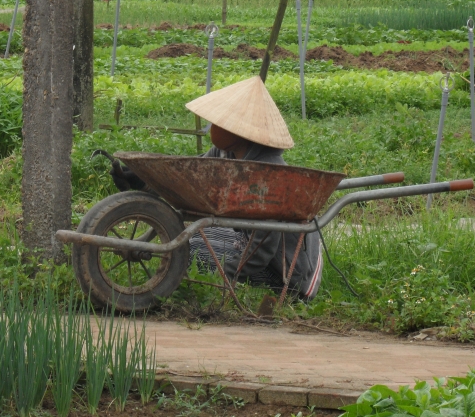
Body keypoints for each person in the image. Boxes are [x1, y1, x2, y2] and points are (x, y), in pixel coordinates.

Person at [110, 76, 323, 301]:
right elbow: (190, 180)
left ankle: (268, 288)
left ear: (241, 131)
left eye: (221, 124)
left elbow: (265, 246)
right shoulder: (227, 154)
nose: (214, 128)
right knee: (189, 238)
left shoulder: (268, 175)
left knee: (187, 252)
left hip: (284, 271)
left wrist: (225, 275)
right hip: (250, 241)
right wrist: (144, 181)